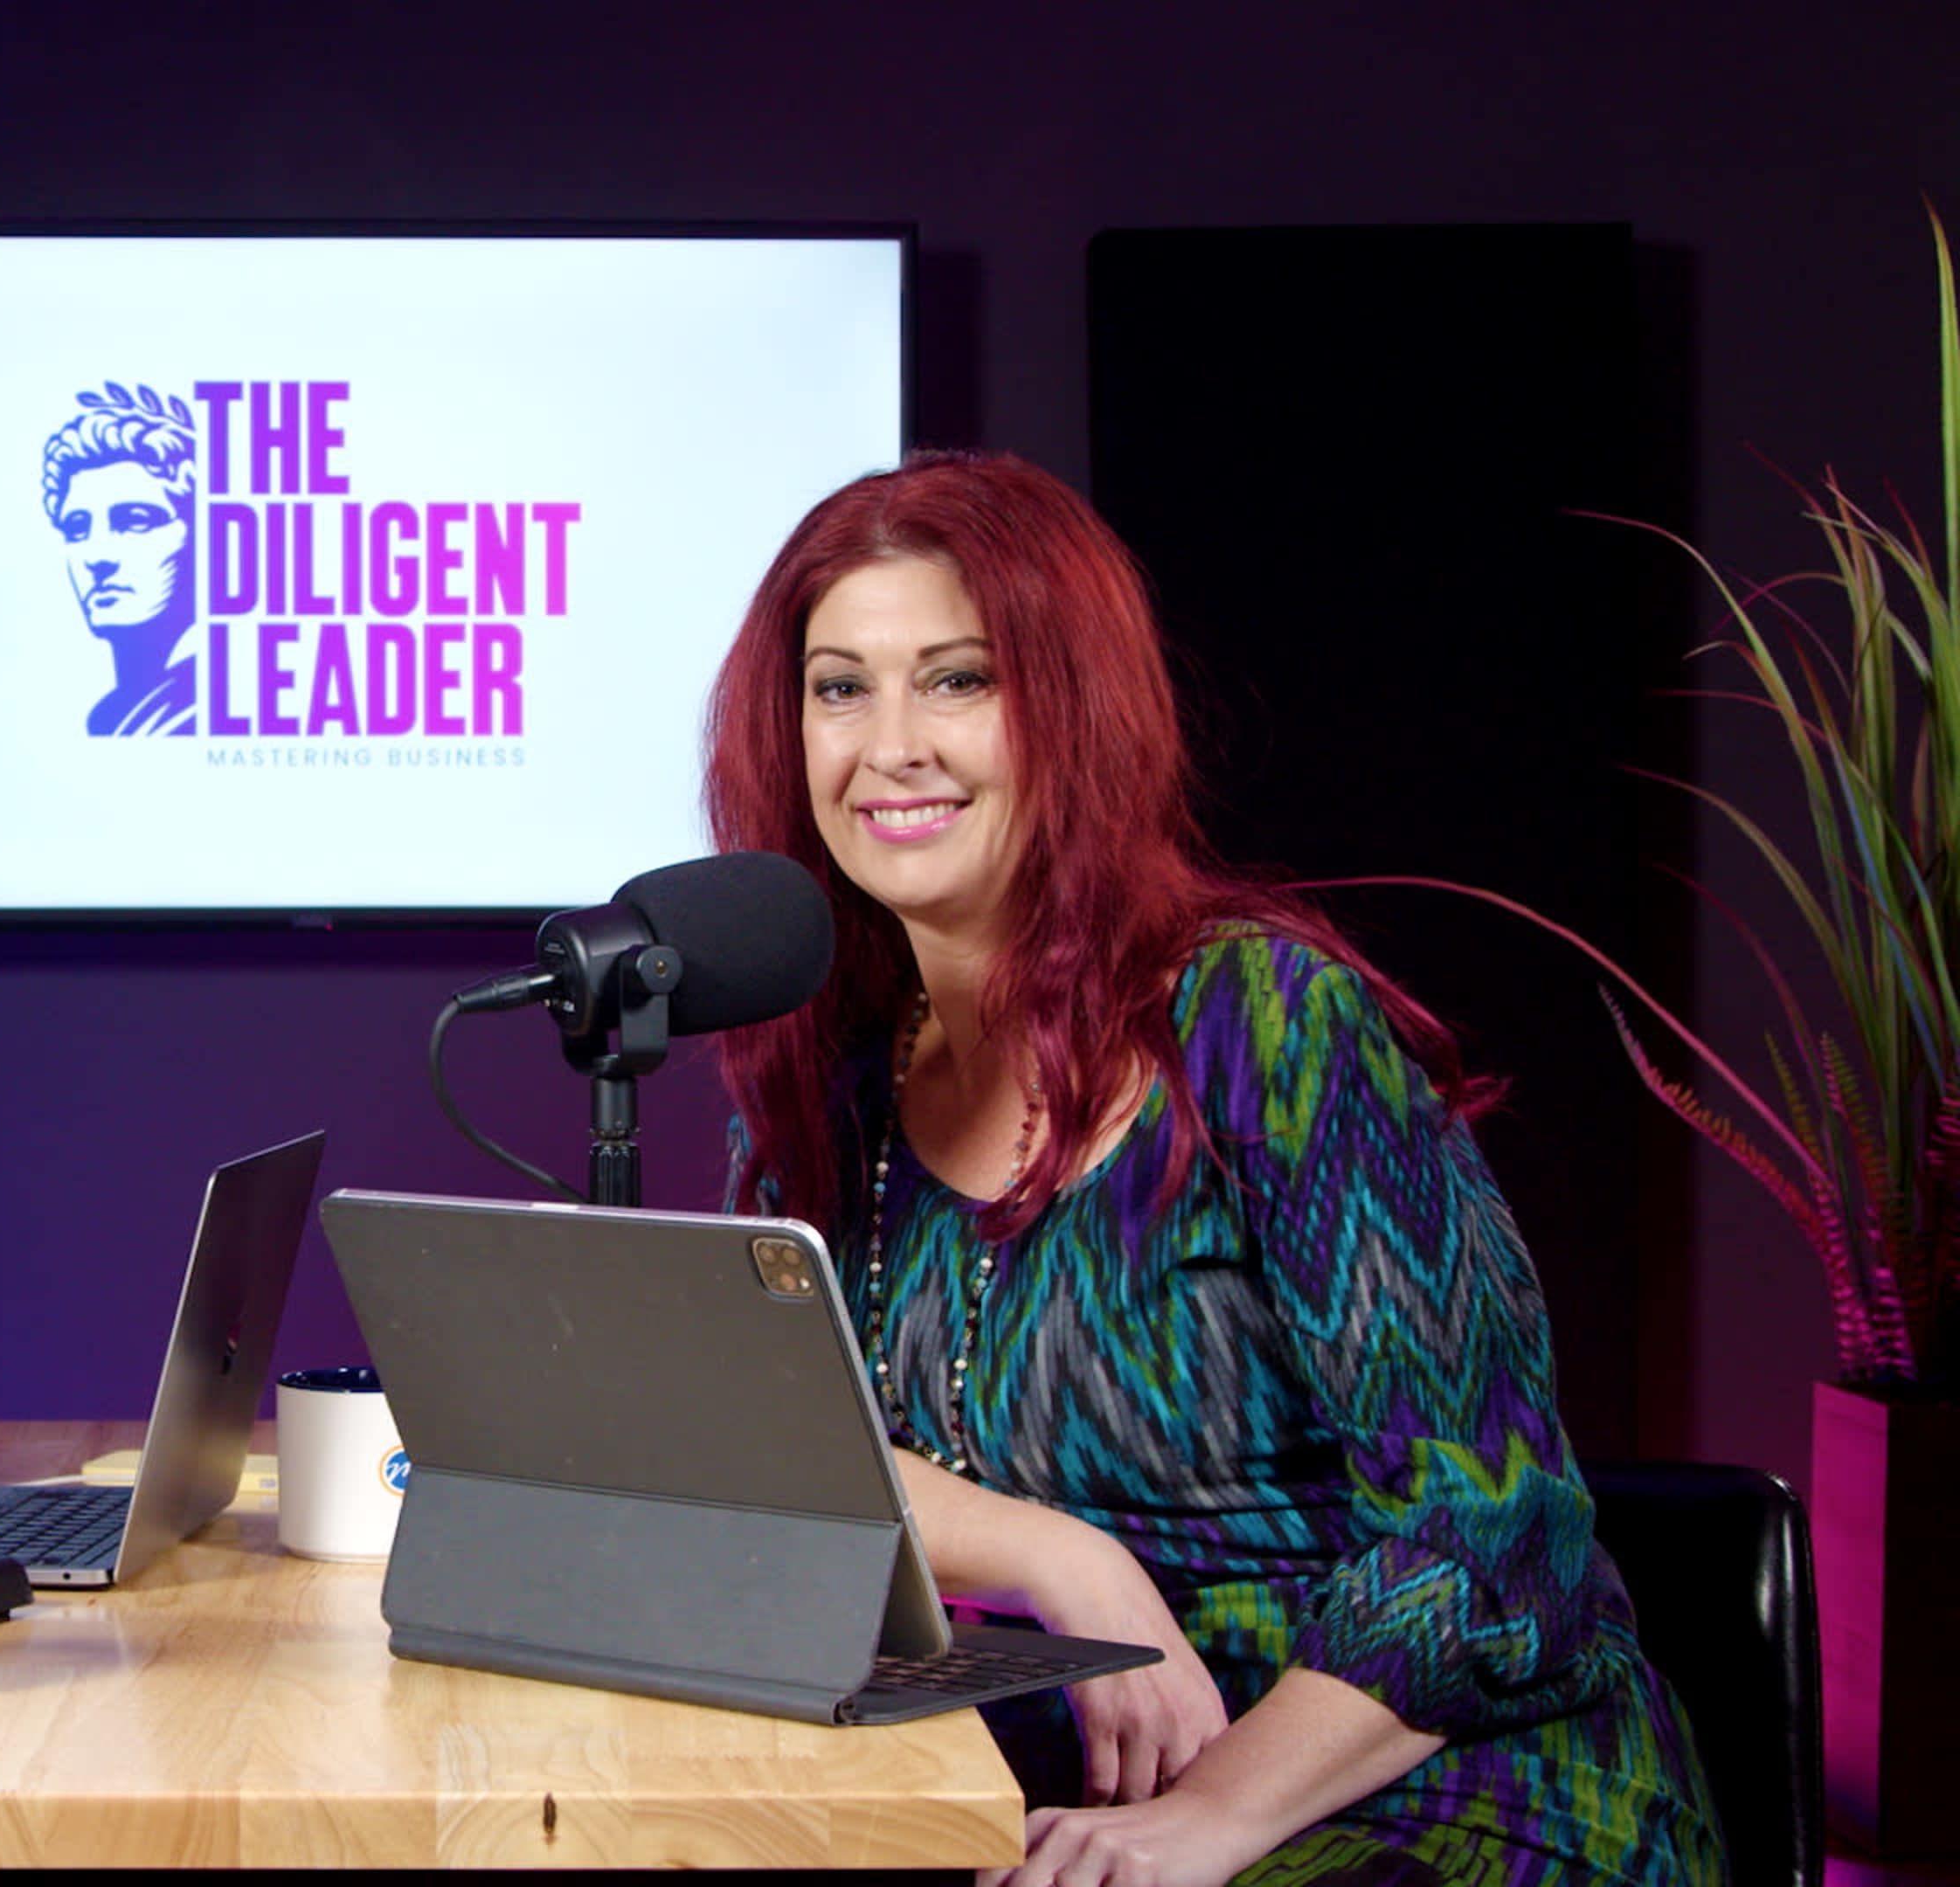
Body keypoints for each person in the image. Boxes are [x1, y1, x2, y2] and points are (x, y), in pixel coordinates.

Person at [704, 450, 1721, 1885]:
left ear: (1072, 709)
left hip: (1433, 1779)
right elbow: (782, 1472)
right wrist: (1064, 1558)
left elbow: (1507, 1543)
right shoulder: (825, 1087)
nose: (892, 746)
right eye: (839, 686)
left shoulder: (1262, 1024)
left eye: (958, 680)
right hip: (1058, 1785)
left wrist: (1213, 1819)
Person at [42, 385, 200, 736]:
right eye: (77, 528)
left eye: (136, 521)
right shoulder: (113, 721)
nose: (97, 557)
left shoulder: (218, 704)